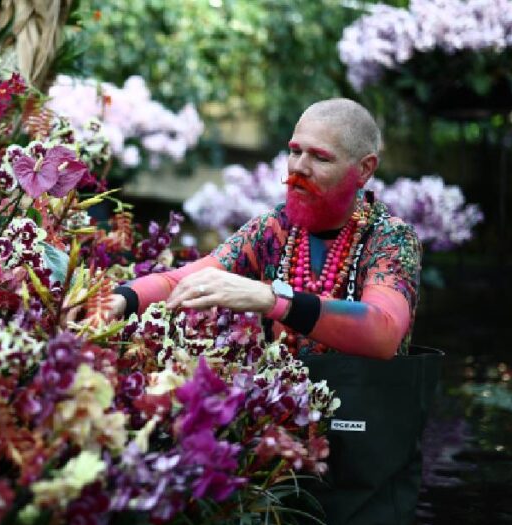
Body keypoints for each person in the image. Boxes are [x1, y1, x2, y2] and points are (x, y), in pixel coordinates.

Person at [106, 98, 422, 359]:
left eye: (320, 158)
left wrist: (272, 300)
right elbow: (183, 281)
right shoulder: (273, 228)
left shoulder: (390, 237)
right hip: (284, 416)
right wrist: (119, 300)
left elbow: (383, 333)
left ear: (364, 169)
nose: (299, 167)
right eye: (295, 151)